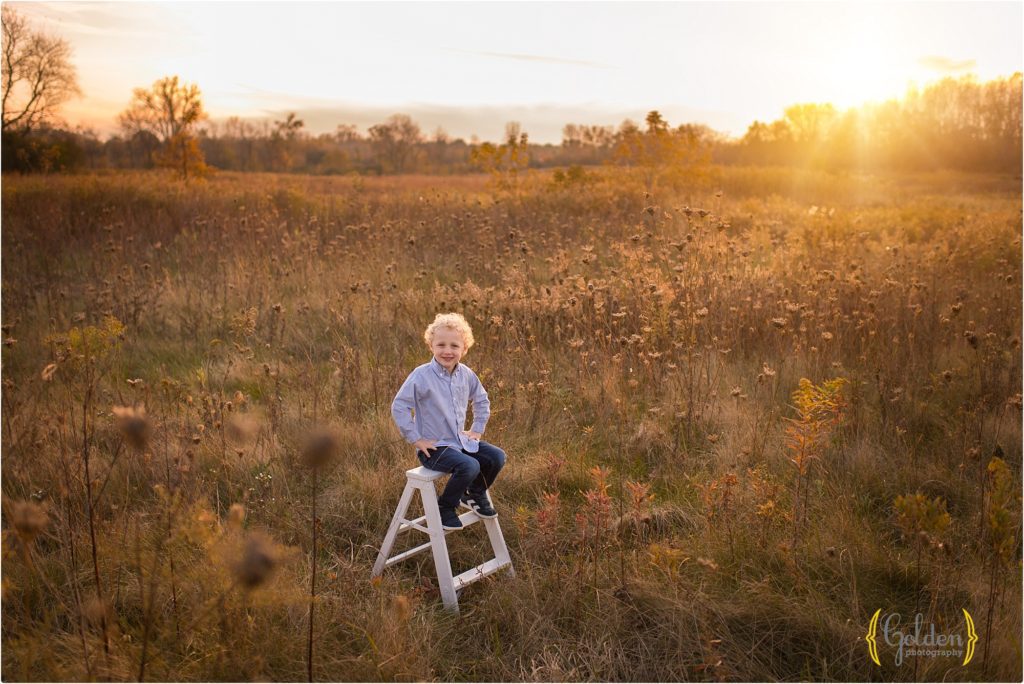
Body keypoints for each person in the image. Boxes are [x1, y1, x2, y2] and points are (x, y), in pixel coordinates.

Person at [390, 312, 506, 530]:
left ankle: (473, 494)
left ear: (464, 349)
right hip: (434, 447)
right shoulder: (421, 375)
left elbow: (481, 400)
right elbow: (400, 405)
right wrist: (416, 438)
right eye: (441, 344)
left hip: (460, 441)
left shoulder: (467, 375)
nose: (447, 351)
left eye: (454, 346)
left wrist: (477, 429)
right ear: (431, 346)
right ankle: (445, 507)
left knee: (496, 457)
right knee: (470, 465)